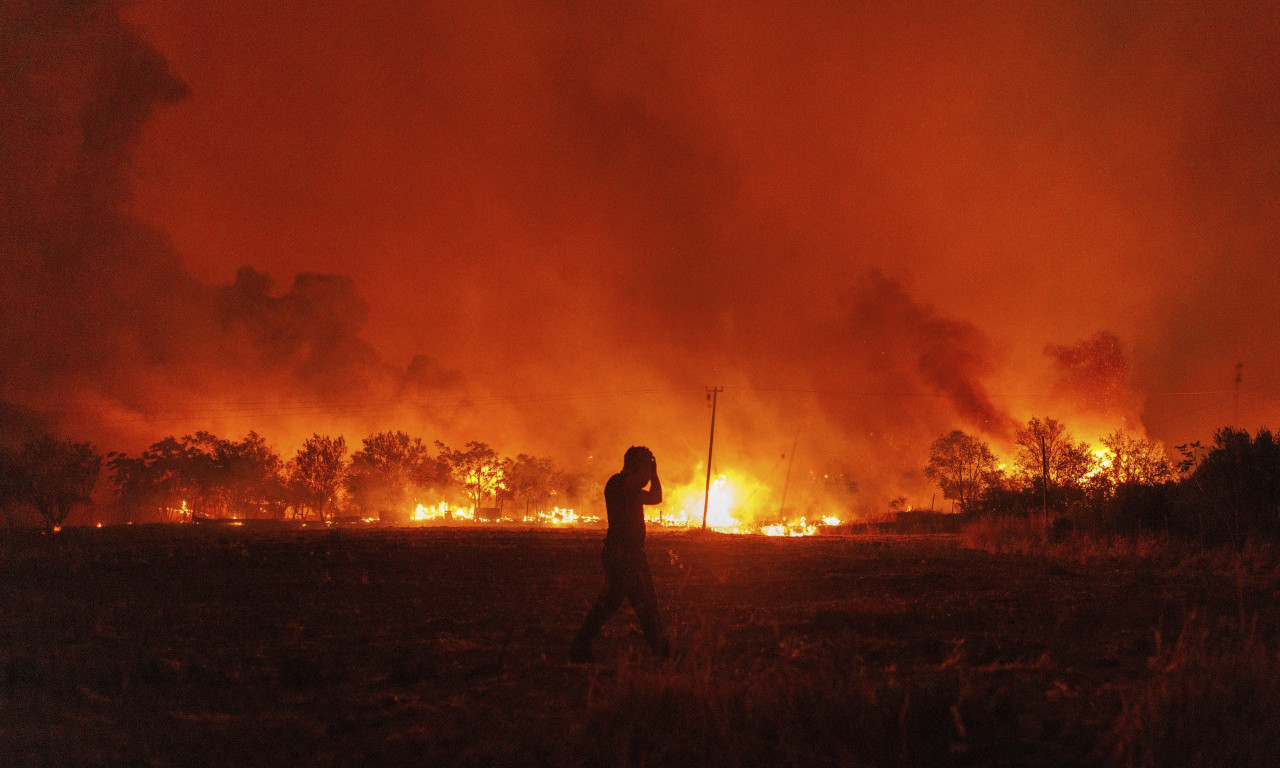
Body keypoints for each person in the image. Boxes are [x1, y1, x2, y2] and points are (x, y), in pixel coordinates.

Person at [569, 445, 670, 662]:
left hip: (625, 554)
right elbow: (641, 488)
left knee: (614, 602)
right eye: (644, 467)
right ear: (634, 466)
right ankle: (661, 650)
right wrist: (648, 471)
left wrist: (654, 474)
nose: (647, 473)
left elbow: (656, 497)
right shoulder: (618, 483)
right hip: (624, 555)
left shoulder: (630, 488)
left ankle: (579, 645)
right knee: (644, 601)